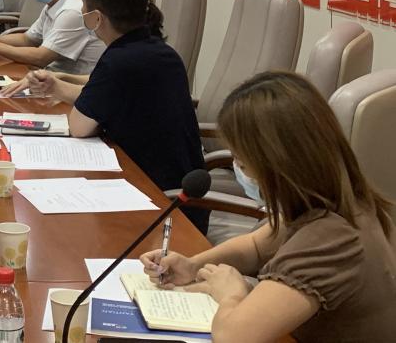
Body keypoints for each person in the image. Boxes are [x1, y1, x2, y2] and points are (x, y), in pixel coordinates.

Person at [141, 71, 396, 342]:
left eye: (242, 162)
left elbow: (234, 336)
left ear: (276, 165)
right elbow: (254, 246)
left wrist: (231, 293)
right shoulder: (336, 201)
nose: (239, 169)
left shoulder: (332, 237)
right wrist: (193, 266)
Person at [4, 0, 206, 232]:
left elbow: (80, 126)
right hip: (175, 195)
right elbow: (104, 88)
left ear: (96, 18)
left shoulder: (119, 60)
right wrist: (58, 82)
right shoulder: (155, 50)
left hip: (161, 205)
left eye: (83, 3)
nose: (81, 9)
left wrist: (58, 87)